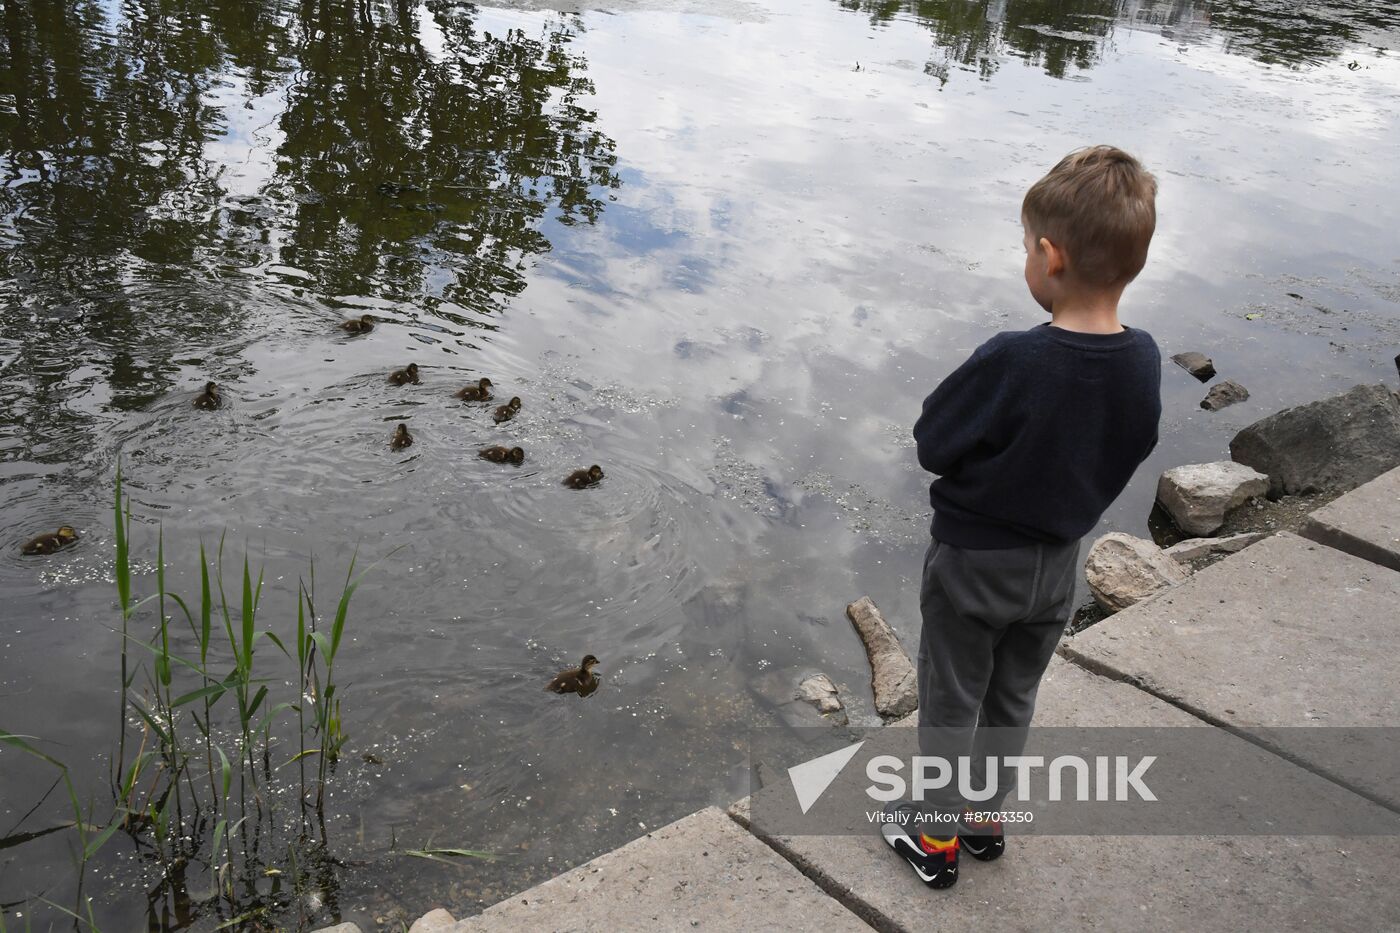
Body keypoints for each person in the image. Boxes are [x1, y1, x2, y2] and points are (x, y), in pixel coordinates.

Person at [881, 145, 1163, 888]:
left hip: (975, 563)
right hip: (1057, 566)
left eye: (1024, 250)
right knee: (1013, 693)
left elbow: (934, 441)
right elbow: (1134, 440)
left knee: (952, 693)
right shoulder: (1143, 359)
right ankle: (984, 816)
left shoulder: (1014, 358)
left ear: (1049, 255)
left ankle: (934, 835)